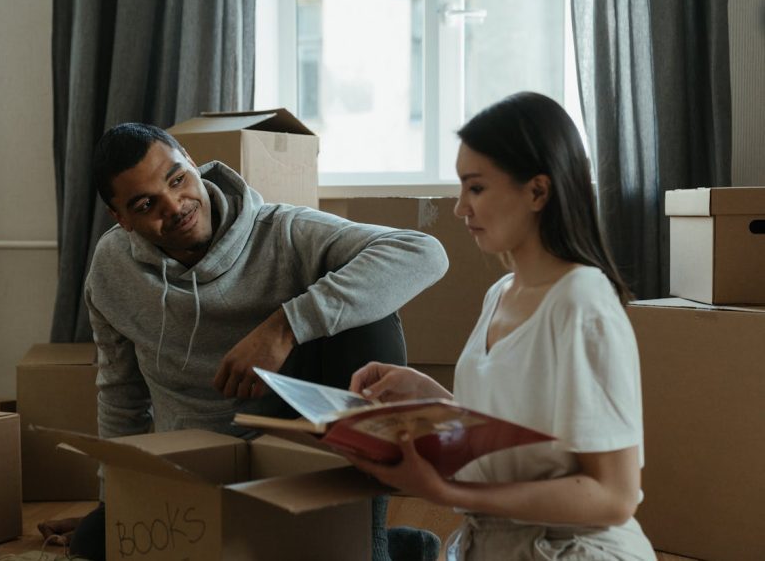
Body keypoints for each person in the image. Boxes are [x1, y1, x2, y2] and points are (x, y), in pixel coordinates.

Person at [46, 122, 449, 560]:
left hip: (293, 453)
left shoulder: (282, 231)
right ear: (120, 217)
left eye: (178, 179)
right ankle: (399, 546)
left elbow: (423, 252)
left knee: (367, 318)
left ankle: (369, 549)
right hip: (196, 464)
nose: (176, 205)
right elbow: (120, 393)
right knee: (94, 543)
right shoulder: (111, 269)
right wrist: (116, 502)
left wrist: (284, 326)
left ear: (193, 163)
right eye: (147, 204)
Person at [345, 92, 657, 560]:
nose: (459, 208)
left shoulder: (581, 301)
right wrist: (428, 397)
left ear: (537, 191)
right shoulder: (501, 294)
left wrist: (451, 495)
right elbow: (521, 440)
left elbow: (615, 497)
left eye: (476, 188)